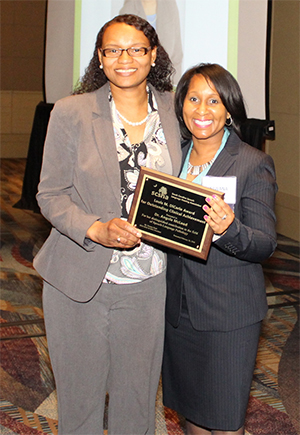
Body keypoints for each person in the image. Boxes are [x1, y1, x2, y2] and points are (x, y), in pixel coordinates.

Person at [33, 14, 181, 435]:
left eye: (136, 49)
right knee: (78, 404)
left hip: (149, 283)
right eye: (113, 50)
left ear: (153, 56)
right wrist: (94, 228)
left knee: (136, 405)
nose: (125, 59)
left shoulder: (176, 109)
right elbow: (49, 193)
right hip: (77, 280)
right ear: (100, 57)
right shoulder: (71, 111)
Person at [162, 63, 277, 435]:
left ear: (229, 109)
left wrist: (230, 229)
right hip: (177, 310)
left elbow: (264, 243)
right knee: (191, 414)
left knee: (226, 423)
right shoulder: (170, 157)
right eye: (193, 99)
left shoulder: (251, 163)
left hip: (229, 315)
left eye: (213, 101)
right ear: (181, 106)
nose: (202, 110)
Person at [119, 0, 183, 84]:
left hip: (166, 77)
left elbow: (176, 52)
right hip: (139, 79)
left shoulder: (170, 5)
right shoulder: (128, 9)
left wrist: (174, 85)